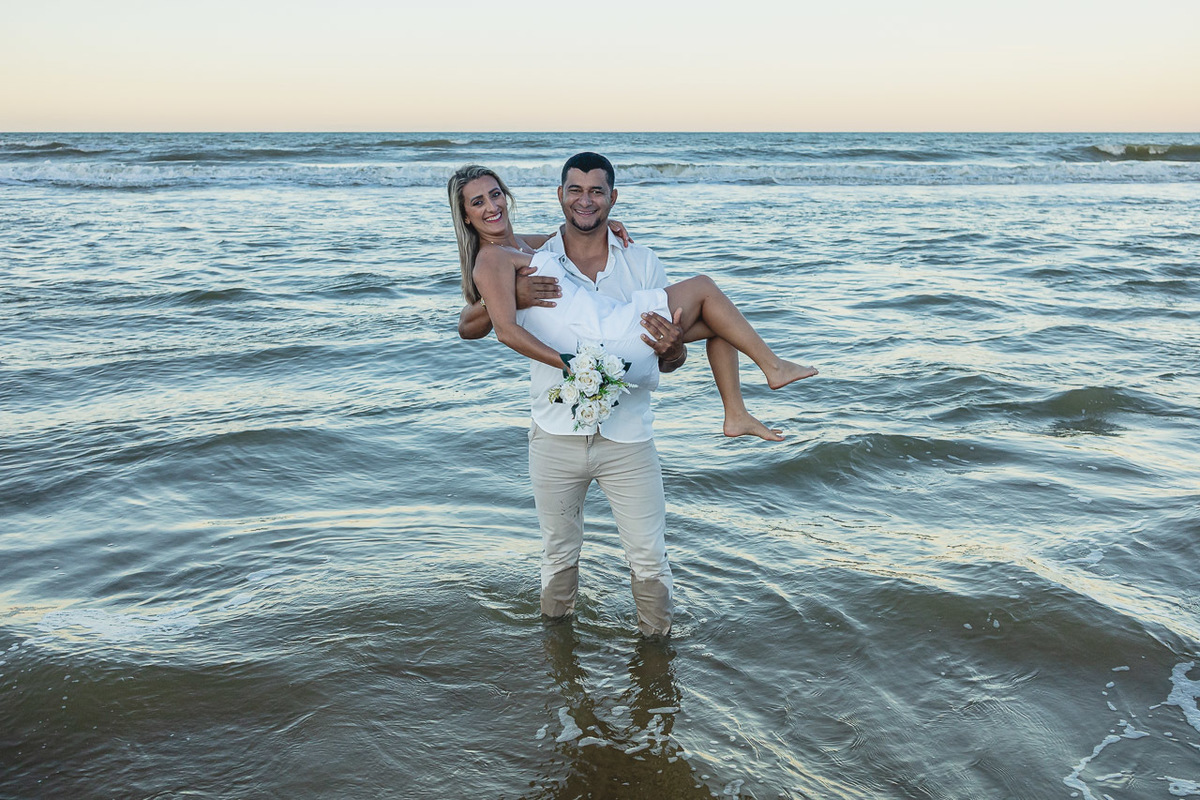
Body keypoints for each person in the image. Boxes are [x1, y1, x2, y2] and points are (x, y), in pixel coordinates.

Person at [452, 154, 817, 636]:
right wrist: (567, 360)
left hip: (627, 424)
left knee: (714, 323)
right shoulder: (497, 257)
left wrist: (669, 348)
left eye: (495, 194)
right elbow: (481, 325)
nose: (491, 206)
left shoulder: (555, 246)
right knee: (707, 292)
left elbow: (669, 357)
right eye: (478, 202)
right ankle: (768, 372)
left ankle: (737, 411)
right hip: (563, 419)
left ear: (610, 198)